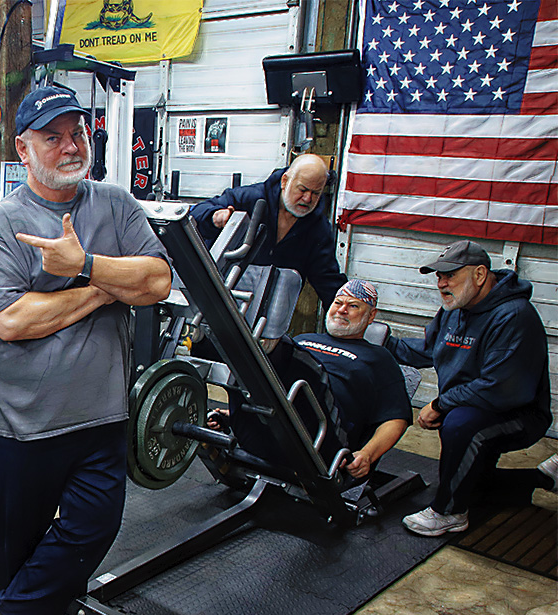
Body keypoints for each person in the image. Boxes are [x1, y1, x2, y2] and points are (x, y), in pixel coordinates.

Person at [0, 86, 172, 615]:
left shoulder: (115, 205)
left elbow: (157, 279)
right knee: (13, 548)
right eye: (51, 136)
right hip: (17, 420)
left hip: (101, 414)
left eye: (76, 132)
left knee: (93, 527)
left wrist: (82, 266)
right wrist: (109, 284)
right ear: (24, 148)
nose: (69, 145)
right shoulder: (2, 224)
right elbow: (10, 320)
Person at [387, 241, 553, 536]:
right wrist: (382, 343)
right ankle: (545, 477)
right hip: (469, 410)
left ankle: (449, 513)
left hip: (517, 414)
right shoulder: (455, 308)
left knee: (461, 427)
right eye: (438, 276)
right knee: (475, 486)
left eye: (449, 275)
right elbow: (428, 350)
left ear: (479, 275)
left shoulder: (514, 316)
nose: (441, 283)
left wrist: (439, 405)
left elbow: (500, 388)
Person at [211, 279, 411, 479]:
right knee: (250, 362)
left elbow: (397, 418)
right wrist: (236, 413)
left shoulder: (378, 358)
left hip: (322, 439)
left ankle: (248, 338)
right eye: (338, 303)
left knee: (284, 356)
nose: (342, 310)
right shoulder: (306, 339)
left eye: (353, 306)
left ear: (370, 316)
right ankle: (214, 336)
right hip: (265, 435)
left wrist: (367, 454)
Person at [190, 154, 346, 303]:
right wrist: (215, 217)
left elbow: (328, 280)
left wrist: (347, 307)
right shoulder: (249, 198)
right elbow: (195, 214)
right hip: (221, 298)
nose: (307, 199)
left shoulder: (318, 229)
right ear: (285, 181)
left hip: (270, 315)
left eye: (315, 193)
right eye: (302, 190)